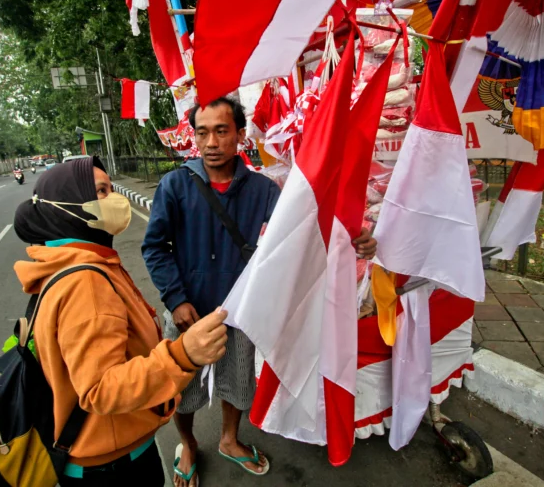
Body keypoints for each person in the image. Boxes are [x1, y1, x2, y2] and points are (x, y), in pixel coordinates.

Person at [142, 98, 377, 487]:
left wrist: (352, 237)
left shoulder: (263, 190)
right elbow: (155, 247)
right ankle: (187, 443)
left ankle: (229, 439)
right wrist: (175, 299)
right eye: (203, 132)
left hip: (241, 311)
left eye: (221, 131)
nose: (212, 142)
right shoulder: (175, 185)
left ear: (238, 133)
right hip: (188, 313)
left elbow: (303, 228)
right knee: (181, 388)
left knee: (237, 382)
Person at [13, 156, 229, 486]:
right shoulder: (85, 282)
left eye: (111, 189)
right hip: (110, 465)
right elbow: (100, 389)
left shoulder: (76, 261)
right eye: (100, 191)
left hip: (108, 447)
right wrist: (183, 355)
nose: (116, 199)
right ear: (70, 204)